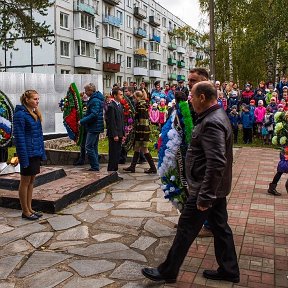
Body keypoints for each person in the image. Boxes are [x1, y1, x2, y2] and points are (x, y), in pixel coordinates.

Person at [142, 81, 240, 284]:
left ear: (202, 97)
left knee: (186, 229)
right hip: (215, 189)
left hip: (205, 190)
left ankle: (168, 271)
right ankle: (229, 269)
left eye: (192, 97)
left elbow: (215, 162)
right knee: (221, 228)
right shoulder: (215, 115)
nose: (190, 101)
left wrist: (204, 196)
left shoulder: (212, 121)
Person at [13, 90, 46, 220]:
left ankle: (30, 208)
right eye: (35, 99)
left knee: (31, 181)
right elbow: (20, 138)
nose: (37, 101)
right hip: (27, 153)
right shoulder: (20, 115)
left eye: (38, 99)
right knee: (25, 181)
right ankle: (25, 211)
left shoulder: (34, 113)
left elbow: (39, 136)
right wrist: (23, 157)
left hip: (35, 152)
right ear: (27, 100)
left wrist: (41, 152)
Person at [123, 89, 157, 174]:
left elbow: (142, 121)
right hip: (141, 131)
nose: (133, 99)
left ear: (137, 97)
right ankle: (132, 167)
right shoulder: (142, 104)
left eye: (134, 98)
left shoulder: (141, 106)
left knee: (144, 149)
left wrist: (141, 134)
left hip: (142, 132)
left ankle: (153, 168)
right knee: (137, 148)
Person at [79, 83, 104, 172]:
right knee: (94, 146)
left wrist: (82, 121)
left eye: (86, 90)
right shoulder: (96, 99)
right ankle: (95, 165)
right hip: (96, 126)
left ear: (90, 90)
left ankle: (94, 166)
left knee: (88, 146)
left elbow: (94, 114)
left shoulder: (94, 100)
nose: (85, 93)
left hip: (94, 127)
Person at [106, 88, 125, 172]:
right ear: (114, 95)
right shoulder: (111, 106)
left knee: (117, 152)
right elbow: (112, 122)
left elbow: (121, 120)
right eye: (120, 94)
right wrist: (115, 134)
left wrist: (123, 133)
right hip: (114, 134)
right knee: (113, 152)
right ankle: (111, 169)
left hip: (120, 132)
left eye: (122, 94)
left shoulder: (120, 105)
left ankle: (115, 168)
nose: (122, 96)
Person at [74, 91, 90, 166]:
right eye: (83, 94)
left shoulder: (86, 104)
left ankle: (83, 159)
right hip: (83, 127)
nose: (84, 95)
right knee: (83, 144)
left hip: (86, 127)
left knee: (85, 144)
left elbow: (84, 114)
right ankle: (82, 158)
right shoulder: (81, 104)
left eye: (86, 94)